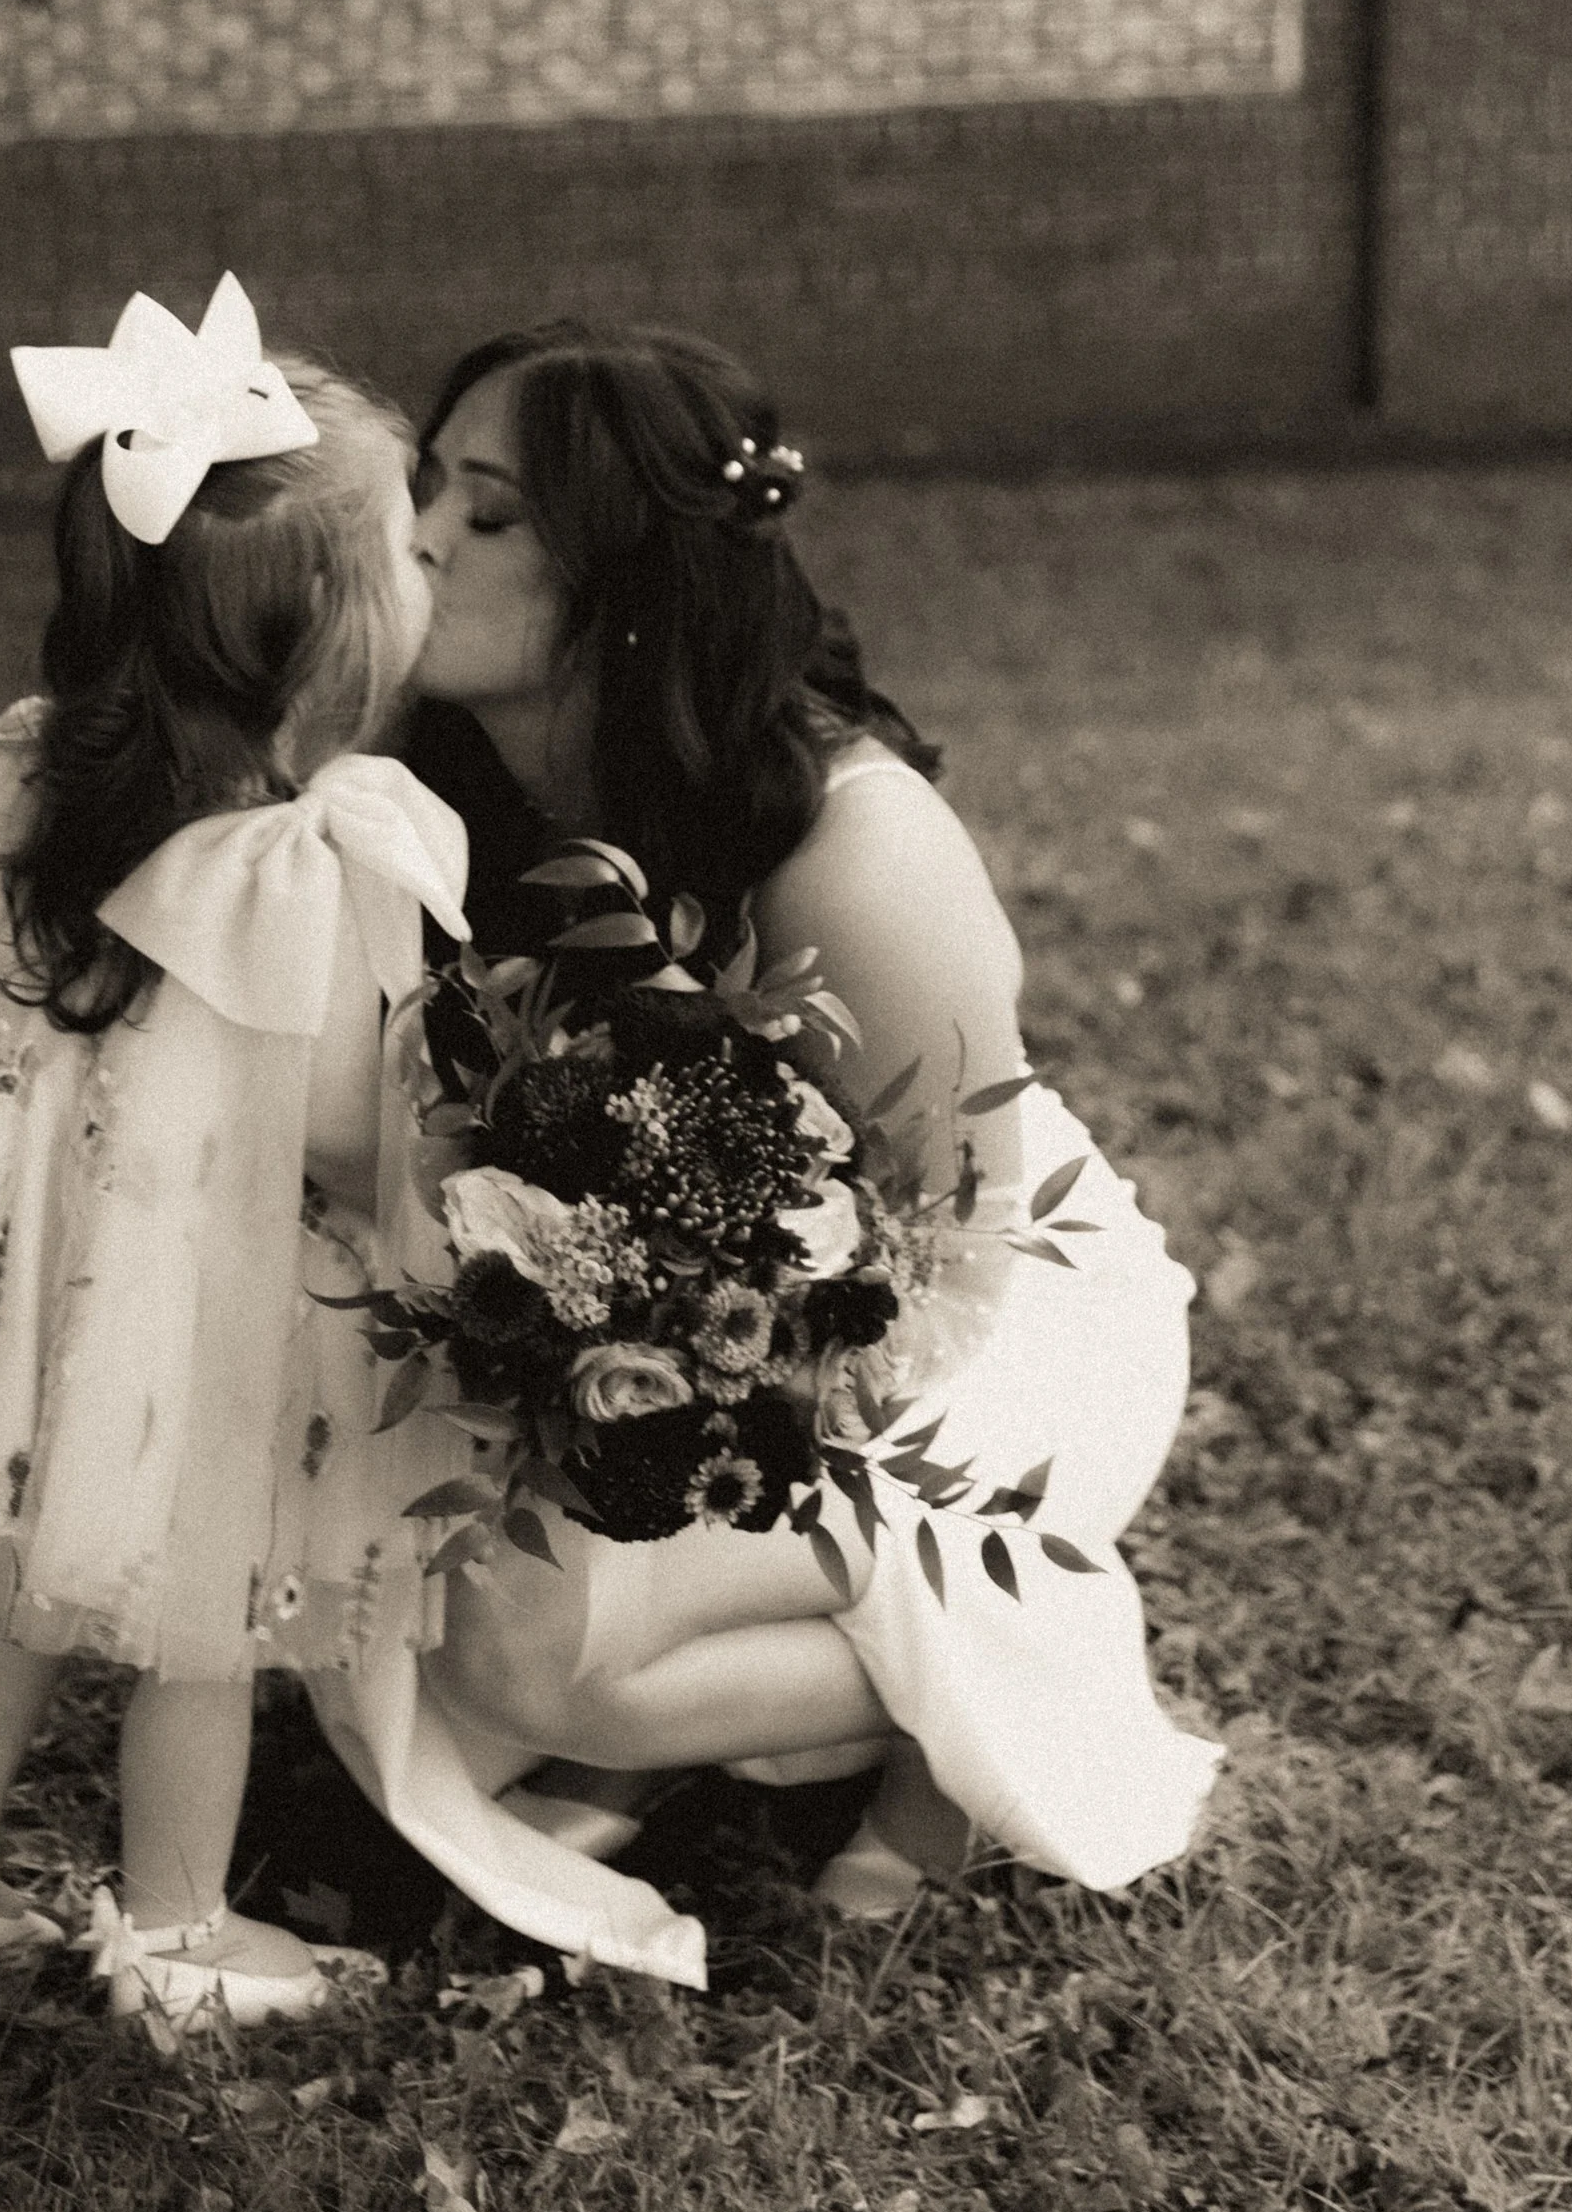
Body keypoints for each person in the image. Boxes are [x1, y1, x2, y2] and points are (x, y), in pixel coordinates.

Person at [301, 321, 1221, 1989]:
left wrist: (719, 1405)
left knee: (522, 1648)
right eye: (428, 487)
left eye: (489, 514)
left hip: (970, 1317)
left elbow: (971, 1221)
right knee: (365, 1598)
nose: (420, 536)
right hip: (654, 1287)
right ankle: (685, 1690)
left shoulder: (850, 837)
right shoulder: (415, 791)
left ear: (627, 570)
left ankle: (990, 1684)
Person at [0, 277, 467, 2030]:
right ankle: (180, 1933)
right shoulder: (318, 859)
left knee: (28, 1567)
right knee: (202, 1624)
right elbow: (358, 1124)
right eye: (412, 553)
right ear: (337, 638)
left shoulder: (32, 790)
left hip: (32, 1284)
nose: (435, 570)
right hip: (218, 1317)